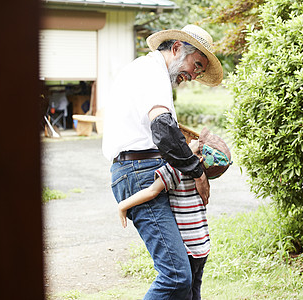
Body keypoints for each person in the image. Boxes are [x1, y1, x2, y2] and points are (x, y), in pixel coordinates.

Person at [102, 25, 224, 299]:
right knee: (176, 275)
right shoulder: (151, 71)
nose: (193, 75)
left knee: (189, 273)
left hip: (143, 167)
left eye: (200, 71)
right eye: (197, 65)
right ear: (178, 48)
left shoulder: (148, 73)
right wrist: (197, 173)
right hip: (137, 171)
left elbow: (165, 133)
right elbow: (163, 129)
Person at [117, 128, 231, 299]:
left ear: (199, 156)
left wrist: (123, 205)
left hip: (188, 248)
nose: (192, 141)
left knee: (180, 288)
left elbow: (152, 191)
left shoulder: (177, 170)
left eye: (197, 143)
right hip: (202, 246)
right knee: (193, 293)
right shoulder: (204, 178)